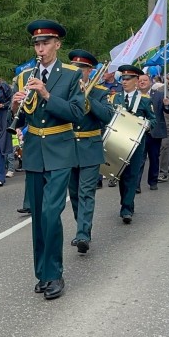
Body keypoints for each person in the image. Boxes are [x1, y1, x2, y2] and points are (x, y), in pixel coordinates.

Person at [10, 20, 84, 300]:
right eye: (37, 44)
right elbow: (20, 119)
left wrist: (46, 94)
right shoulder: (23, 76)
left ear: (57, 45)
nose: (40, 49)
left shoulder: (71, 75)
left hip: (60, 149)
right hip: (34, 152)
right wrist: (15, 106)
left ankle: (54, 274)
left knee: (51, 214)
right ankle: (42, 273)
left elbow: (76, 113)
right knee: (39, 217)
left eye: (45, 43)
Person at [66, 50, 112, 254]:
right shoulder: (65, 90)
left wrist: (88, 98)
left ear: (89, 71)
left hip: (90, 146)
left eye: (81, 69)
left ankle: (83, 234)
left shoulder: (100, 92)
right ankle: (82, 227)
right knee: (74, 193)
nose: (77, 72)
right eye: (74, 68)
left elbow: (107, 116)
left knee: (86, 192)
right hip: (68, 146)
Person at [111, 65, 156, 223]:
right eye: (123, 78)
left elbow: (153, 120)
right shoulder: (115, 98)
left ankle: (126, 208)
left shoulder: (144, 100)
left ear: (136, 80)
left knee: (132, 174)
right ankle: (127, 202)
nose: (124, 81)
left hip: (136, 143)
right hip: (118, 141)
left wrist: (146, 124)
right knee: (122, 174)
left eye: (128, 79)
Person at [141, 76, 169, 189]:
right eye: (140, 81)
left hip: (155, 132)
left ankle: (153, 181)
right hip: (140, 132)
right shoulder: (135, 95)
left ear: (150, 82)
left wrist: (167, 105)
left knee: (154, 158)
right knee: (139, 159)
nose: (142, 82)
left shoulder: (159, 95)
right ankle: (136, 185)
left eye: (145, 80)